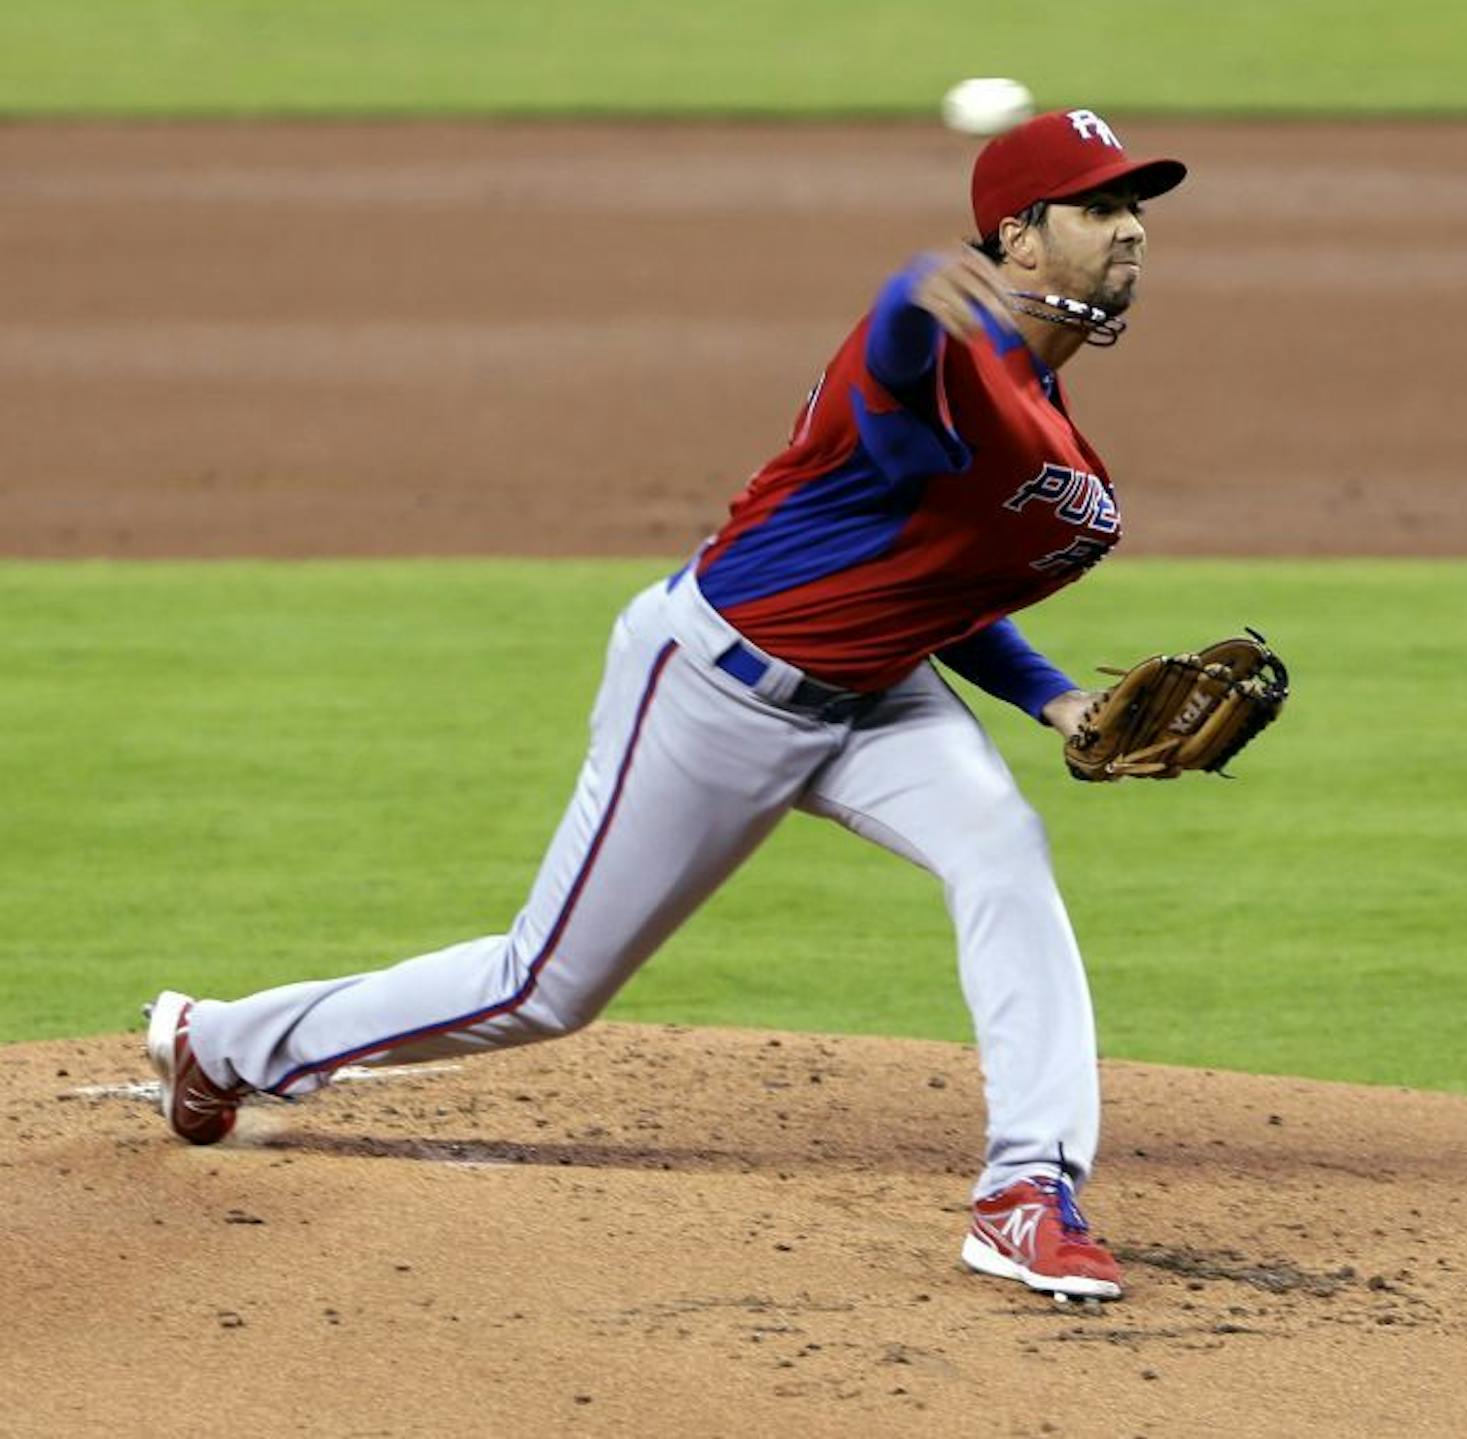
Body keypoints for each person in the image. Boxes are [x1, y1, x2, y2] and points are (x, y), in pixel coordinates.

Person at [143, 108, 1187, 1303]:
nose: (1132, 231)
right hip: (713, 683)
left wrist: (1053, 703)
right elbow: (900, 344)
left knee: (1005, 852)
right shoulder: (952, 360)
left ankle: (1026, 1191)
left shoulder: (1070, 468)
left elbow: (939, 595)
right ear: (1017, 239)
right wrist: (912, 287)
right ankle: (216, 1043)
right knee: (542, 991)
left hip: (881, 698)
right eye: (1099, 207)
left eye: (1136, 208)